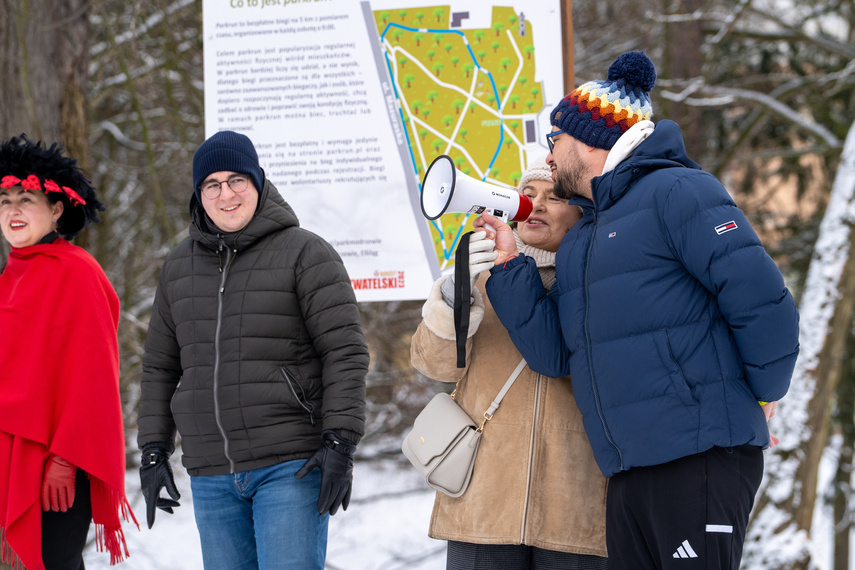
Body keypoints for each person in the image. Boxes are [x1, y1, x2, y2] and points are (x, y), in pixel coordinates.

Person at [479, 51, 799, 569]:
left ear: (588, 140)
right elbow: (555, 355)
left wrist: (763, 395)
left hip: (698, 458)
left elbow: (765, 305)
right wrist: (511, 268)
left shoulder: (681, 191)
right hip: (627, 468)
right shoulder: (583, 236)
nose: (550, 156)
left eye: (554, 141)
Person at [137, 130, 369, 569]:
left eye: (236, 180)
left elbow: (345, 351)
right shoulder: (178, 267)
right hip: (210, 472)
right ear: (199, 194)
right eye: (212, 184)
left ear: (258, 182)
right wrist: (153, 449)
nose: (226, 194)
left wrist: (340, 441)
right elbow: (160, 367)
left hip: (290, 466)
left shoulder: (306, 253)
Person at [411, 158, 608, 569]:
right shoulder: (481, 276)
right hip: (481, 505)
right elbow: (433, 364)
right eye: (527, 195)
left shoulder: (602, 279)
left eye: (553, 197)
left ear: (580, 211)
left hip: (576, 510)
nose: (534, 206)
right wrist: (453, 293)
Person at [0, 135, 135, 569]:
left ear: (57, 209)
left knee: (57, 563)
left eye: (26, 199)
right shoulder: (9, 276)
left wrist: (62, 460)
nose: (13, 211)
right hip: (10, 451)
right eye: (4, 200)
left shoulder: (77, 272)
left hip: (58, 459)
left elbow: (93, 374)